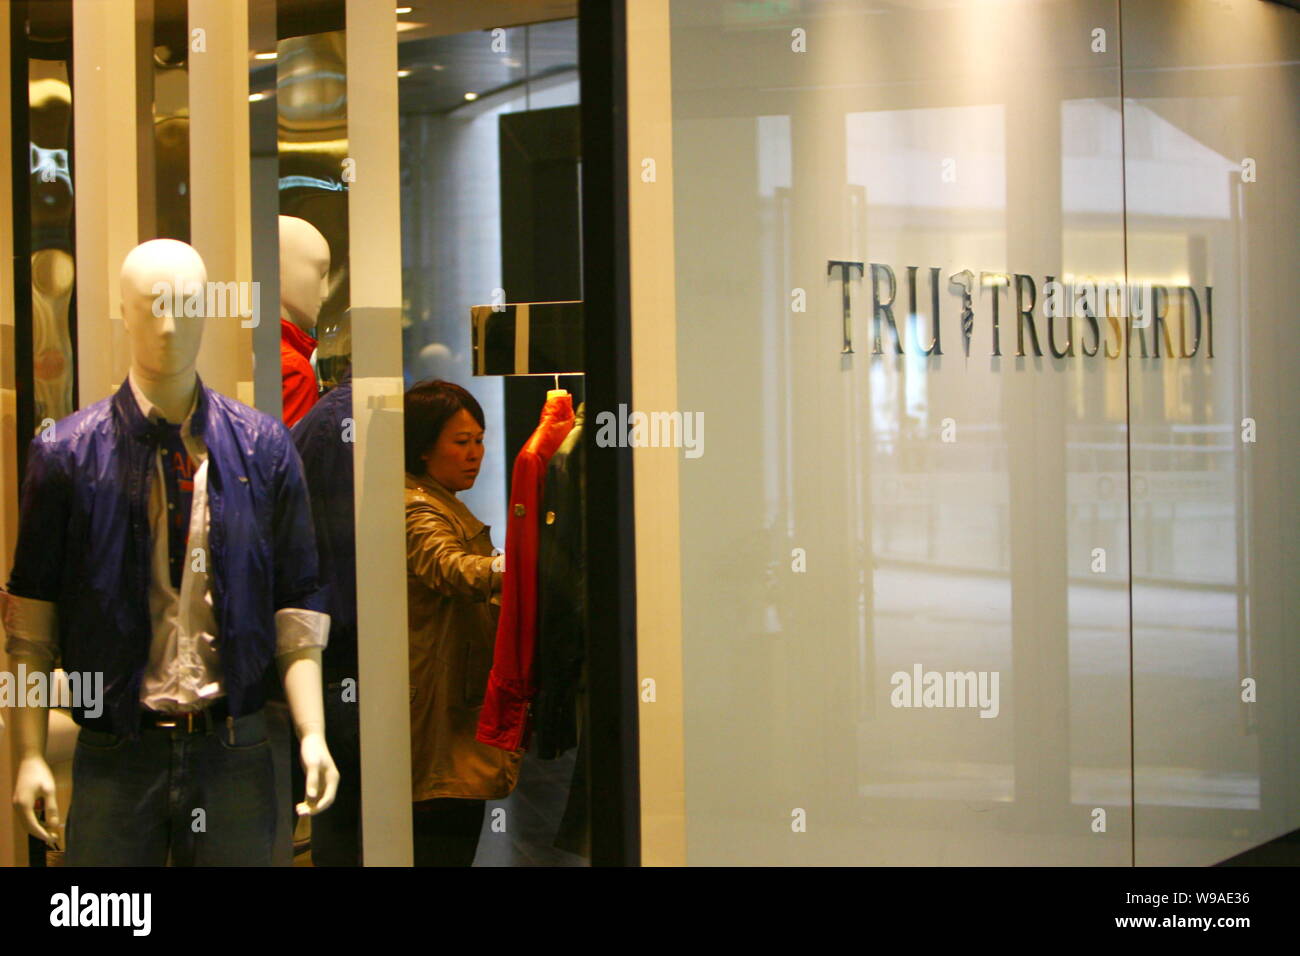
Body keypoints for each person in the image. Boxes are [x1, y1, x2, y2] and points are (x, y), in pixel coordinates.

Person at [403, 380, 519, 866]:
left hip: (452, 702)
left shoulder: (437, 498)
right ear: (425, 448)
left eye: (479, 439)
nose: (476, 454)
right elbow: (450, 566)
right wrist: (512, 568)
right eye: (461, 441)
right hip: (439, 710)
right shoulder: (416, 507)